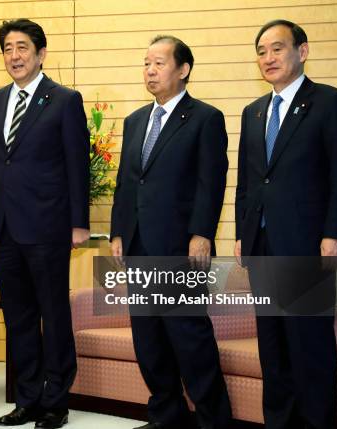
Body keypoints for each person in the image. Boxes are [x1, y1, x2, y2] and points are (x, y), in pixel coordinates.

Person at [110, 35, 231, 429]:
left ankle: (213, 420)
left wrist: (202, 232)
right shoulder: (135, 121)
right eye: (146, 63)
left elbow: (210, 182)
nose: (150, 70)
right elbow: (127, 184)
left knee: (189, 337)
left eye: (159, 63)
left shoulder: (205, 118)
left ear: (183, 69)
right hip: (139, 243)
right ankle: (167, 415)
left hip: (180, 244)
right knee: (148, 338)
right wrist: (118, 233)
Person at [235, 19, 337, 429]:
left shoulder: (330, 103)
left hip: (307, 243)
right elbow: (249, 180)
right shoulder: (253, 111)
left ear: (303, 50)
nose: (268, 58)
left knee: (308, 344)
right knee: (273, 346)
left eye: (277, 48)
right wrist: (244, 234)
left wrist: (334, 233)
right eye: (261, 51)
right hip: (261, 244)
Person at [0, 18, 90, 429]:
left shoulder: (64, 99)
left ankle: (56, 401)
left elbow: (76, 164)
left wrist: (78, 224)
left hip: (47, 226)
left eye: (22, 47)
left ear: (41, 53)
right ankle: (27, 398)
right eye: (8, 48)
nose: (14, 55)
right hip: (5, 227)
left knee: (53, 313)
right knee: (19, 318)